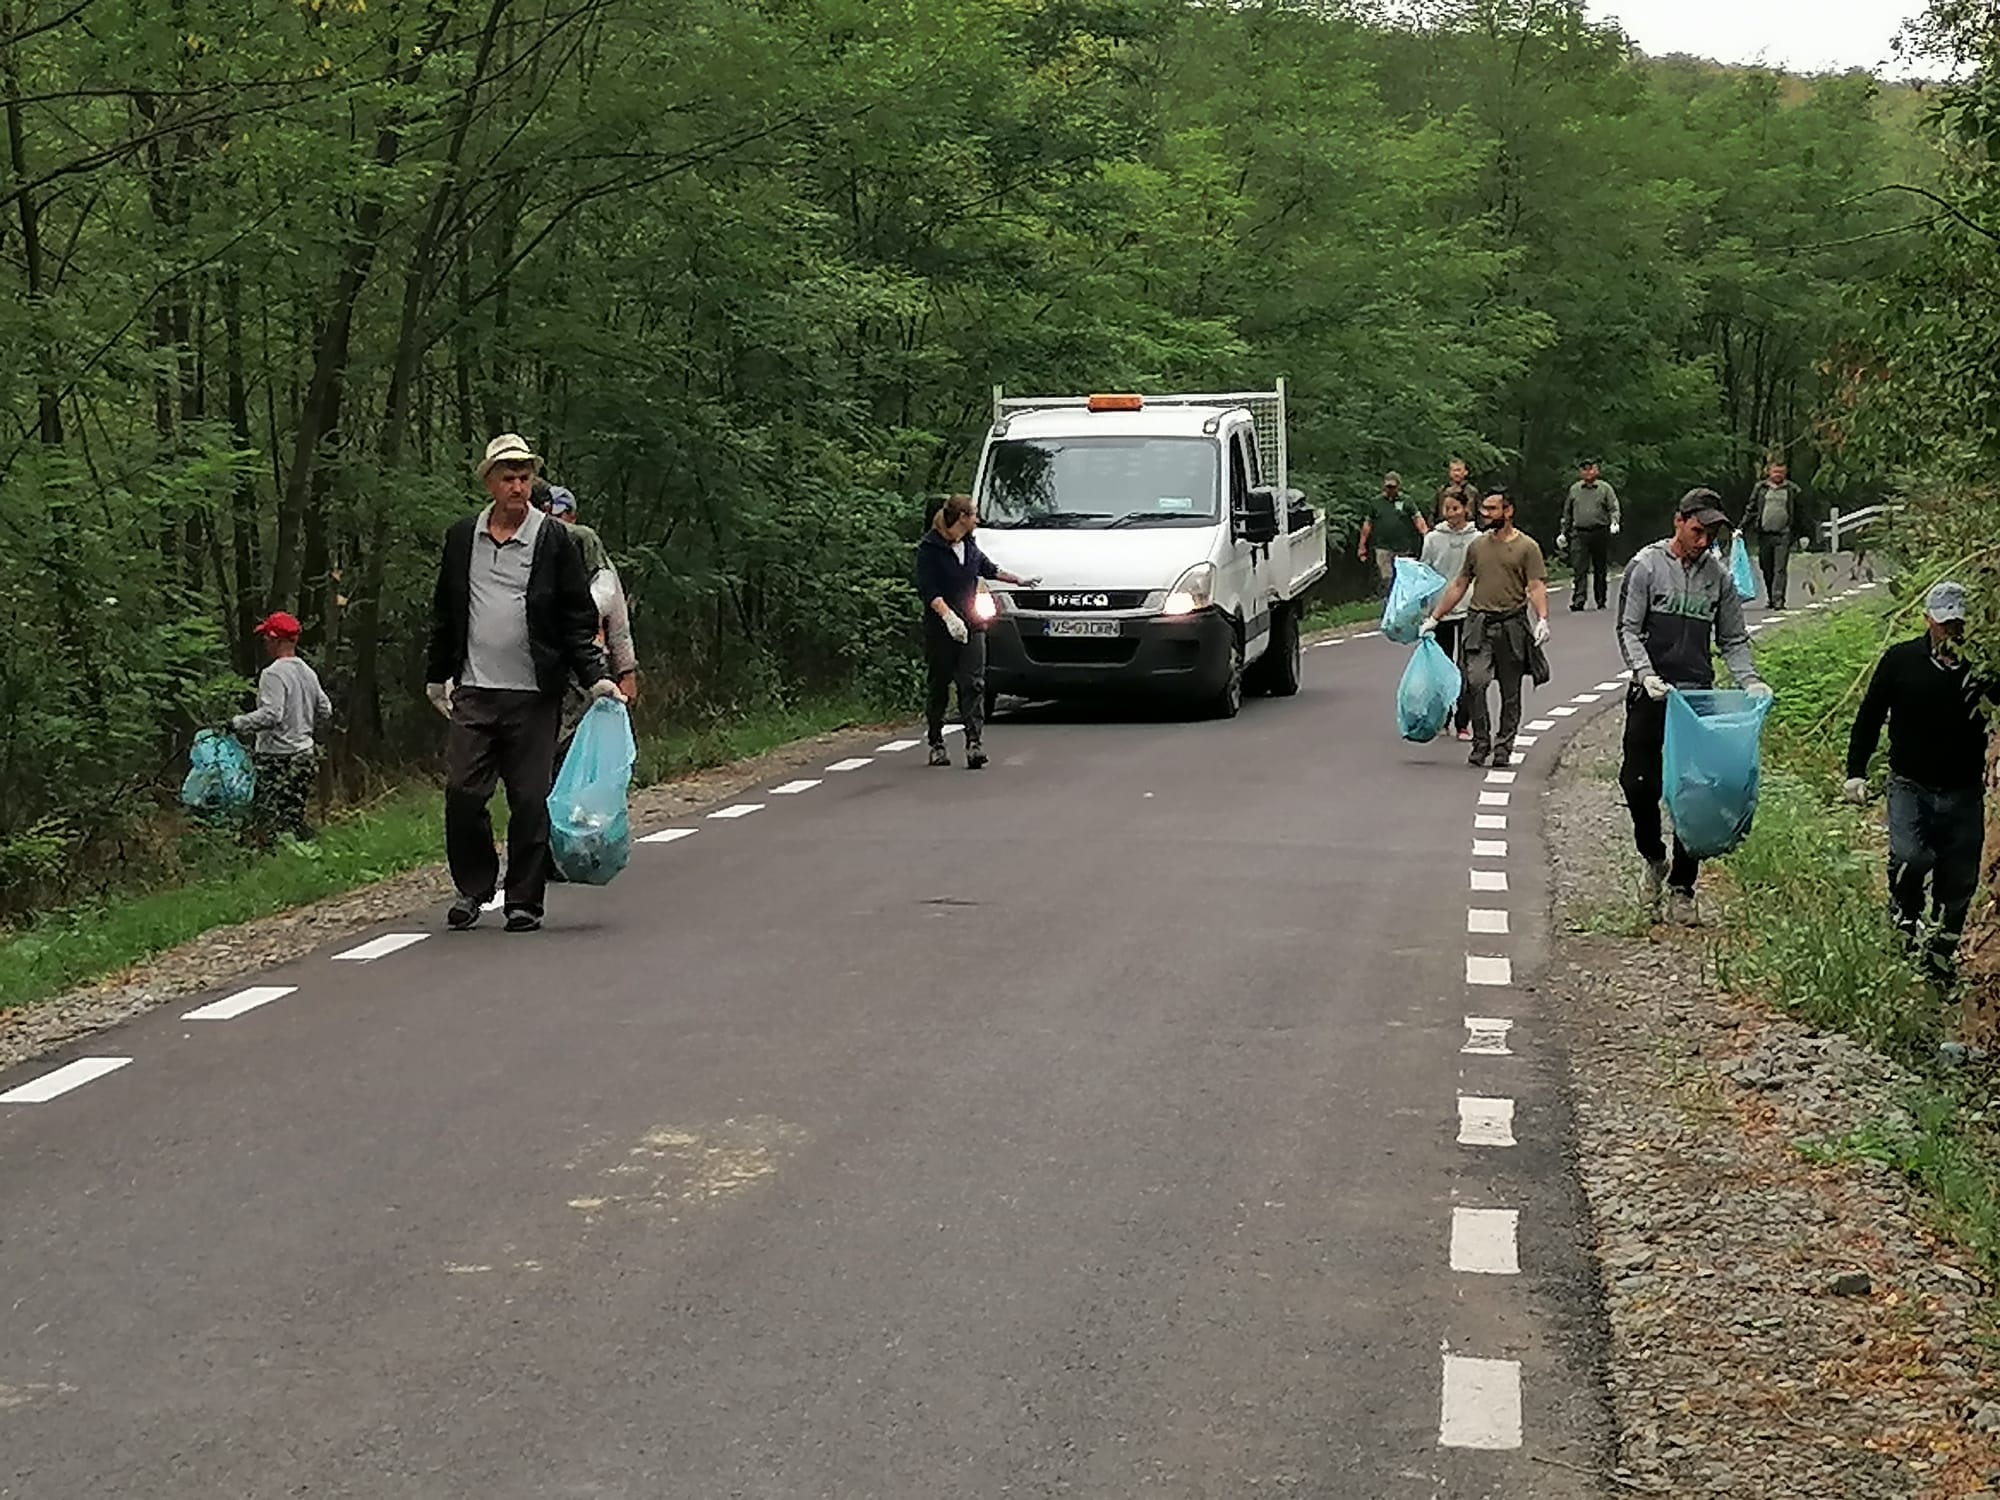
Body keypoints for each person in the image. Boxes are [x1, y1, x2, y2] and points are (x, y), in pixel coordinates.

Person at [426, 433, 619, 933]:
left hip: (535, 692)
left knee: (530, 799)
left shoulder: (554, 539)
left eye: (525, 477)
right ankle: (474, 886)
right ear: (490, 482)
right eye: (508, 478)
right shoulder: (461, 537)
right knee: (464, 792)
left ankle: (524, 901)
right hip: (474, 688)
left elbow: (577, 615)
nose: (518, 486)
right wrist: (435, 675)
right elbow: (445, 612)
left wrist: (597, 676)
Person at [1615, 490, 1770, 925]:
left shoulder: (1718, 577)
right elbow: (1628, 629)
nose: (1703, 541)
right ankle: (1653, 856)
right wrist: (1645, 674)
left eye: (1712, 533)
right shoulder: (1645, 567)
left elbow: (1733, 639)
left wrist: (1750, 681)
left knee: (1695, 790)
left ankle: (1683, 886)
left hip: (1696, 697)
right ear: (1678, 521)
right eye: (1698, 531)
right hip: (1651, 692)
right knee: (1638, 782)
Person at [1844, 581, 1992, 979]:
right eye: (1944, 624)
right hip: (1911, 783)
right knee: (1911, 858)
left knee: (1959, 879)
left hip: (1963, 790)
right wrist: (1856, 771)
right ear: (1929, 620)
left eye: (1957, 624)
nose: (1951, 632)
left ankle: (1939, 962)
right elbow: (1870, 715)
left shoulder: (1982, 667)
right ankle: (1904, 929)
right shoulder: (1901, 661)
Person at [1420, 488, 1550, 769]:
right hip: (1479, 622)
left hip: (1512, 624)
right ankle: (1481, 743)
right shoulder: (1477, 546)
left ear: (1508, 511)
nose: (1486, 514)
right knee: (1475, 682)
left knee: (1510, 691)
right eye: (1484, 510)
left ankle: (1504, 747)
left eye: (1492, 509)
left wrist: (1542, 618)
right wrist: (1436, 617)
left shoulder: (1527, 547)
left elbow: (1536, 585)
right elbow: (1460, 583)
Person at [915, 494, 1037, 769]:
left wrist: (1018, 580)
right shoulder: (930, 549)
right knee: (939, 685)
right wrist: (948, 617)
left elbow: (987, 568)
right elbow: (929, 590)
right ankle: (936, 742)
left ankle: (974, 743)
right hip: (942, 627)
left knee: (974, 683)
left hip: (972, 623)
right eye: (974, 515)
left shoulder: (969, 545)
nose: (977, 520)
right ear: (961, 518)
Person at [229, 610, 332, 844]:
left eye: (266, 637)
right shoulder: (308, 672)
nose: (264, 642)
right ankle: (308, 855)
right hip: (305, 755)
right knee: (293, 817)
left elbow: (271, 715)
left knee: (267, 820)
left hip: (277, 759)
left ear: (275, 639)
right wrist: (303, 724)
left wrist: (236, 723)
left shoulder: (273, 674)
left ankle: (274, 860)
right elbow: (326, 709)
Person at [1419, 487, 1480, 741]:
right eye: (1447, 509)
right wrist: (1425, 610)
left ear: (1466, 509)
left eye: (1456, 508)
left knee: (1466, 667)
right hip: (1440, 610)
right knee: (1442, 668)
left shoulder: (1478, 538)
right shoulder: (1433, 538)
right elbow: (1425, 571)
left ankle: (1463, 721)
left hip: (1469, 608)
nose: (1451, 514)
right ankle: (1442, 717)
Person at [1556, 458, 1622, 612]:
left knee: (1600, 567)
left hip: (1600, 531)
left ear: (1596, 470)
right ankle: (1579, 600)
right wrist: (1563, 533)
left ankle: (1601, 599)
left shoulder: (1605, 488)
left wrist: (1614, 522)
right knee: (1579, 567)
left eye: (1590, 469)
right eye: (1584, 469)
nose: (1587, 472)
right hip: (1580, 532)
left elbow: (1614, 508)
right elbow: (1568, 513)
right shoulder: (1574, 490)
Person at [1739, 459, 1806, 610]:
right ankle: (1771, 596)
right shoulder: (1761, 488)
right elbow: (1751, 509)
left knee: (1780, 568)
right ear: (1768, 471)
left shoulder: (1792, 490)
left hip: (1784, 534)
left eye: (1781, 472)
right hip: (1764, 534)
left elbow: (1801, 514)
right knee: (1766, 566)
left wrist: (1803, 534)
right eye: (1775, 471)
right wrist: (1741, 528)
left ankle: (1778, 599)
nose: (1778, 475)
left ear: (1786, 473)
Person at [1359, 472, 1427, 595]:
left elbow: (1417, 518)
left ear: (1398, 486)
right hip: (1382, 546)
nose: (1390, 490)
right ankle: (1388, 600)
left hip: (1403, 546)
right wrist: (1362, 545)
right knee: (1387, 577)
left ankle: (1403, 600)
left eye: (1393, 487)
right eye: (1388, 487)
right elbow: (1367, 525)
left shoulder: (1407, 501)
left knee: (1403, 577)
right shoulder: (1376, 503)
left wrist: (1426, 535)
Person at [1434, 458, 1481, 529]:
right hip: (1444, 528)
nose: (1456, 473)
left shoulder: (1472, 492)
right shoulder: (1442, 491)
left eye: (1458, 470)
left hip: (1467, 528)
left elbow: (1479, 514)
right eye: (1453, 470)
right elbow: (1434, 512)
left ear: (1466, 472)